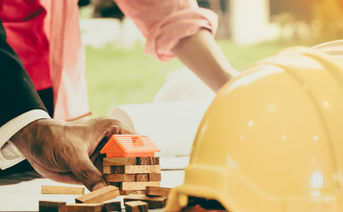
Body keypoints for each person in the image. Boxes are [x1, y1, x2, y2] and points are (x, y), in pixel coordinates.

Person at [0, 0, 237, 191]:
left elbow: (164, 8)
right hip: (15, 99)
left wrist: (234, 86)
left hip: (45, 97)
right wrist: (29, 127)